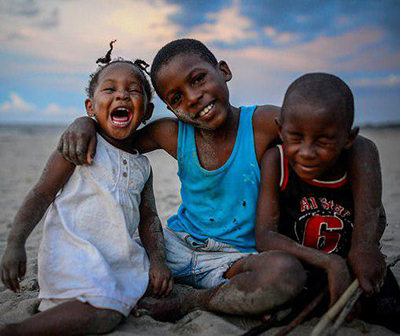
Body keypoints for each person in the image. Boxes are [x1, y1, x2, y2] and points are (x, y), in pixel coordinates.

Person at [57, 39, 386, 320]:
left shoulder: (262, 123)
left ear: (224, 71)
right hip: (176, 246)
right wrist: (83, 123)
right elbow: (115, 136)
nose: (192, 97)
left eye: (198, 79)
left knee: (285, 274)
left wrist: (364, 246)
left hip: (233, 258)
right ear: (170, 108)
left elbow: (360, 148)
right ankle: (183, 292)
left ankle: (189, 301)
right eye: (175, 97)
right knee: (117, 250)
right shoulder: (172, 134)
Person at [0, 44, 173, 335]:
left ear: (147, 112)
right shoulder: (79, 146)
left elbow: (149, 218)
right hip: (74, 253)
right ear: (90, 107)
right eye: (110, 89)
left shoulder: (142, 166)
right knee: (105, 314)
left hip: (118, 258)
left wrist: (158, 262)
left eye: (133, 90)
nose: (121, 95)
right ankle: (15, 331)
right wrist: (15, 243)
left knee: (138, 299)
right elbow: (41, 194)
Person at [256, 73, 400, 332]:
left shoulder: (361, 158)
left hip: (353, 264)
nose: (307, 152)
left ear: (348, 138)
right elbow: (265, 236)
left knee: (389, 310)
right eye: (296, 138)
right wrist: (330, 263)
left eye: (323, 142)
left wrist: (363, 251)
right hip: (303, 269)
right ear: (280, 130)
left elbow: (366, 241)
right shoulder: (275, 162)